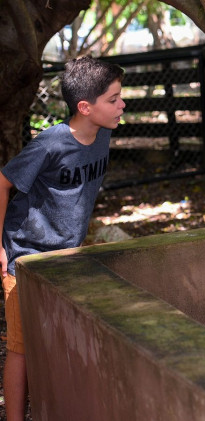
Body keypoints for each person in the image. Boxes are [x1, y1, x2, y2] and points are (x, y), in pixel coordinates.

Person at [0, 56, 125, 420]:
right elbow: (2, 183)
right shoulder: (50, 143)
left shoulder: (104, 132)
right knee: (22, 348)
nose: (122, 104)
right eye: (114, 99)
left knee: (57, 338)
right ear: (85, 107)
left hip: (67, 256)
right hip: (26, 256)